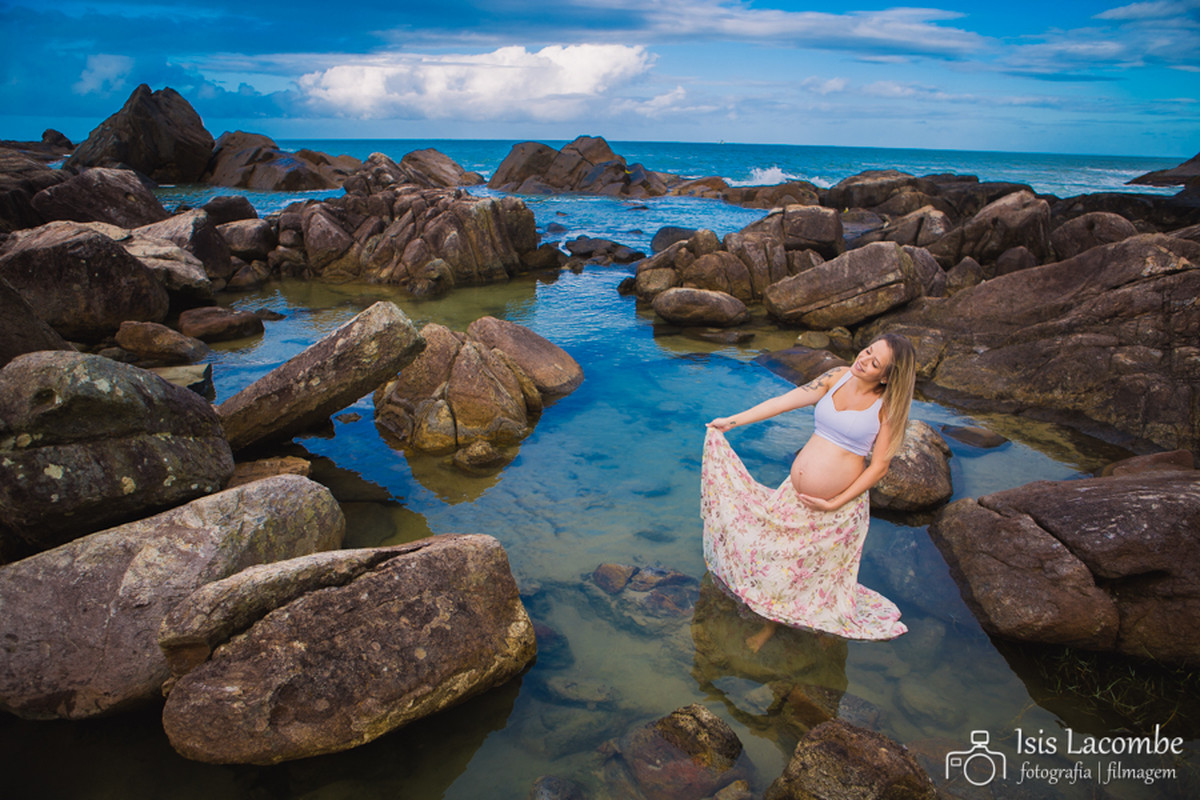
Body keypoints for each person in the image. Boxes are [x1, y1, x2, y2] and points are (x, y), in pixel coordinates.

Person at [702, 333, 917, 650]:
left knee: (800, 571)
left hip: (836, 506)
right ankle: (773, 617)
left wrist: (834, 503)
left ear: (886, 377)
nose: (863, 359)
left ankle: (770, 628)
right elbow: (782, 403)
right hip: (793, 495)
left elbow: (879, 467)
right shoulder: (836, 376)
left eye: (874, 363)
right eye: (867, 350)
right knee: (770, 556)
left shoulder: (886, 408)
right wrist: (732, 422)